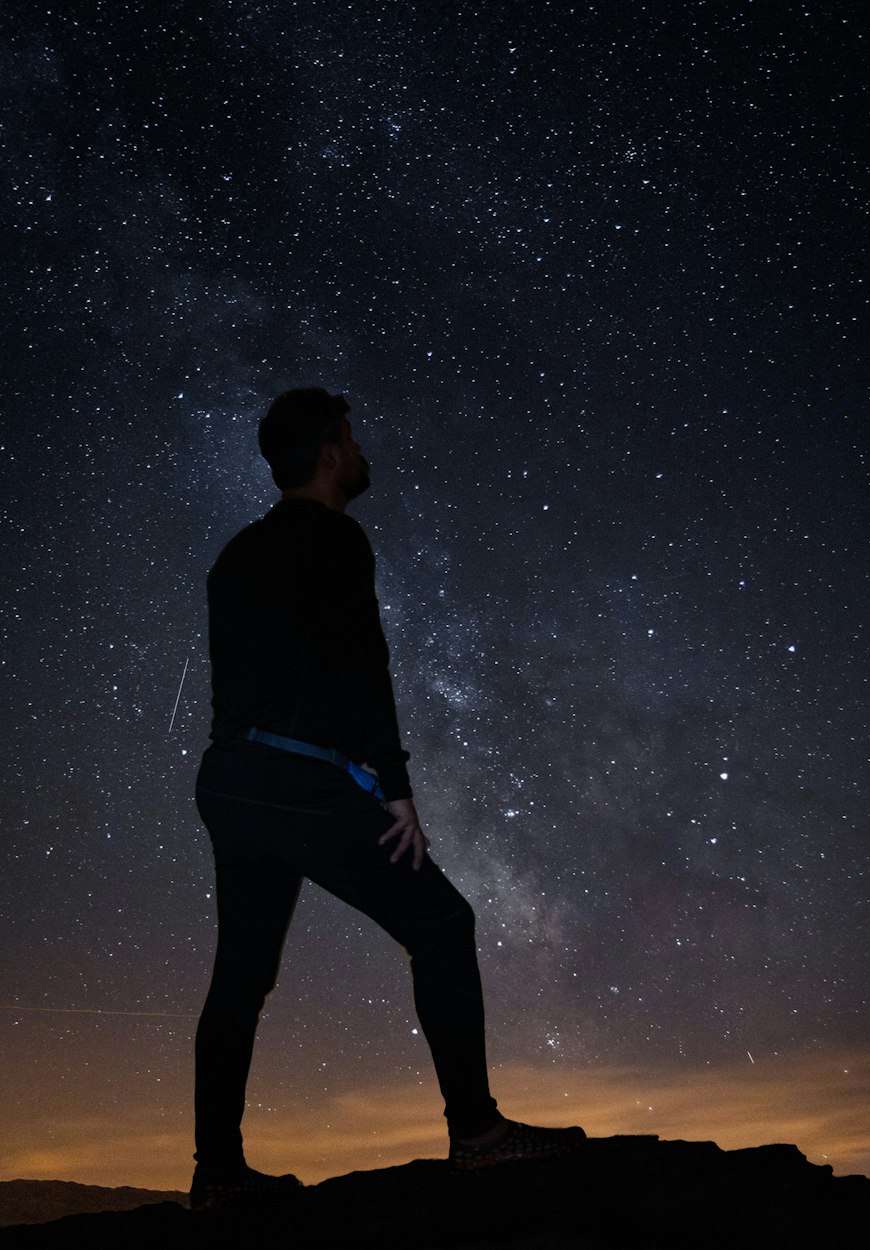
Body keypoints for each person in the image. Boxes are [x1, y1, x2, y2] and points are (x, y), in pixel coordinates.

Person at [191, 387, 584, 1211]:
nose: (364, 450)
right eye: (353, 438)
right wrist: (393, 786)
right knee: (443, 925)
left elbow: (256, 679)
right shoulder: (336, 538)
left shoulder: (235, 554)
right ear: (330, 454)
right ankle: (478, 1137)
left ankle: (218, 1175)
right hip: (297, 782)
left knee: (241, 975)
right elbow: (359, 664)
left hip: (232, 780)